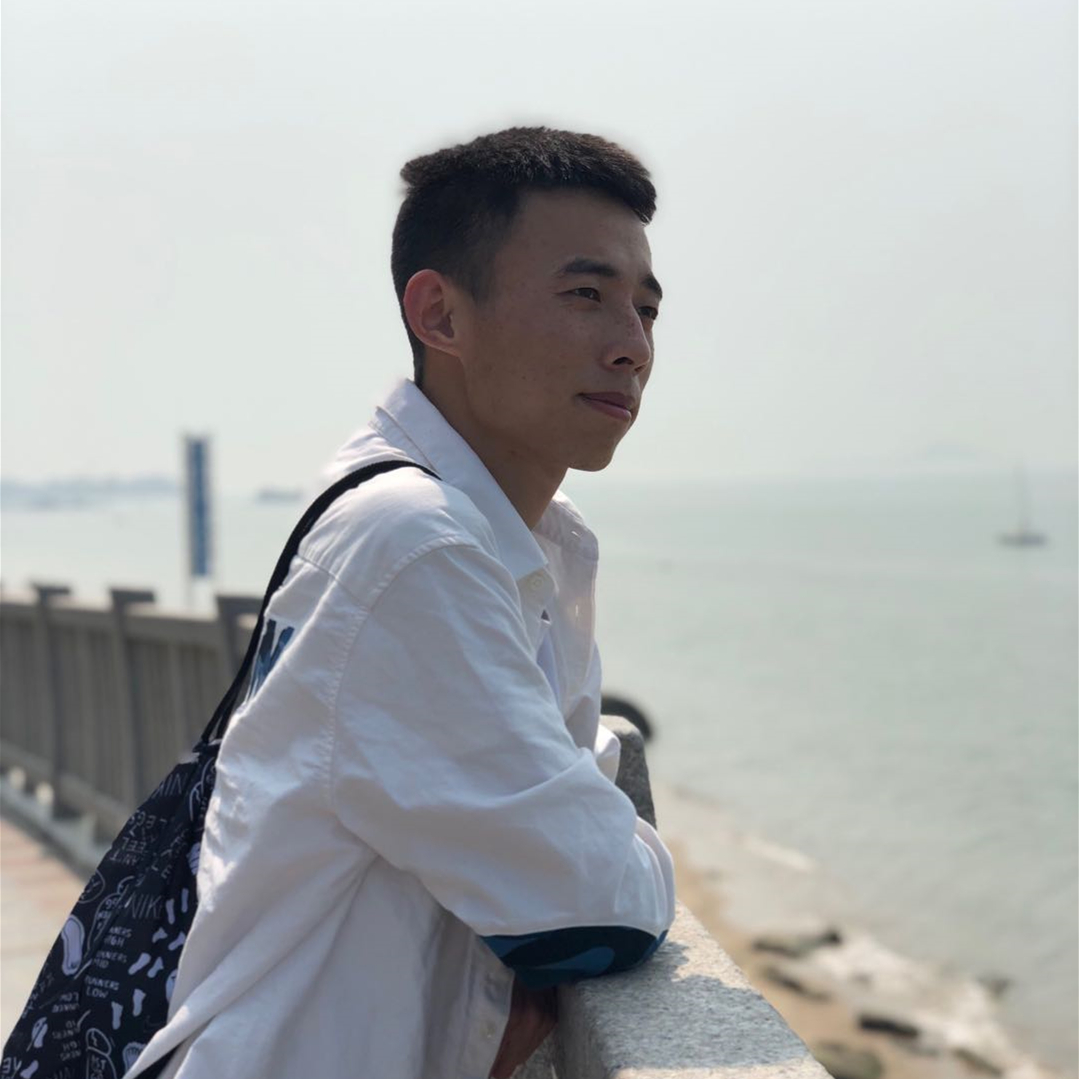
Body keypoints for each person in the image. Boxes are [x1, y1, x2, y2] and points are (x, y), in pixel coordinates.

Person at [127, 125, 675, 1079]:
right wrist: (627, 837)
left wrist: (579, 820)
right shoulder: (415, 542)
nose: (630, 347)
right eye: (585, 296)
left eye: (646, 308)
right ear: (440, 314)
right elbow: (591, 905)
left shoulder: (507, 533)